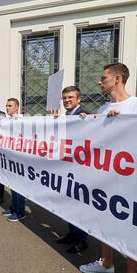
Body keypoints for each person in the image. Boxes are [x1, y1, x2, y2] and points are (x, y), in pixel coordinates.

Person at [78, 63, 137, 273]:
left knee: (131, 226)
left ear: (118, 78)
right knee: (105, 221)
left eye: (103, 78)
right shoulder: (102, 109)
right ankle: (107, 264)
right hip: (107, 177)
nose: (99, 82)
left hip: (131, 179)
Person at [53, 86, 89, 254]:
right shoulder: (65, 116)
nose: (67, 100)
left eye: (70, 97)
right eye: (65, 98)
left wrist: (89, 120)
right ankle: (72, 234)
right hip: (66, 166)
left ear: (78, 99)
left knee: (78, 206)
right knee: (68, 204)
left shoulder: (85, 115)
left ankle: (81, 240)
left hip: (80, 169)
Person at [0, 98, 27, 221]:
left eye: (10, 105)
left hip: (19, 160)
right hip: (10, 159)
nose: (7, 108)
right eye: (6, 105)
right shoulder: (7, 121)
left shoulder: (22, 121)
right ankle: (13, 207)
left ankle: (20, 211)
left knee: (19, 186)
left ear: (17, 107)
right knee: (12, 185)